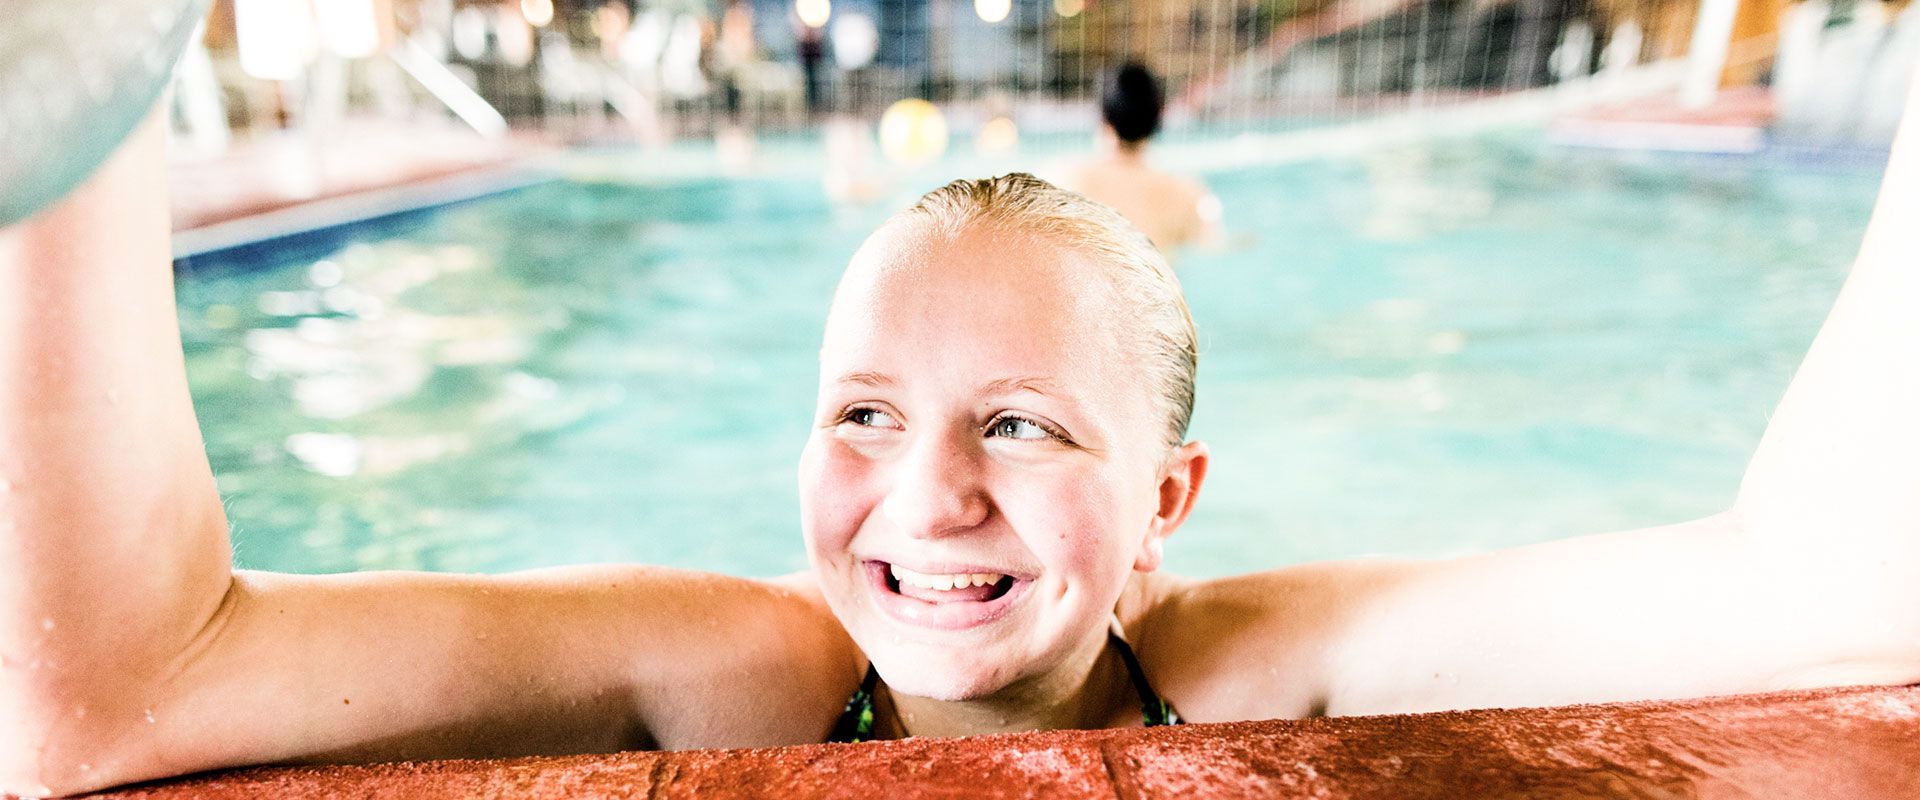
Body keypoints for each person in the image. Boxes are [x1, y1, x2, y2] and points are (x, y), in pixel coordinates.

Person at [5, 72, 1920, 798]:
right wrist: (75, 83)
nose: (924, 498)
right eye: (863, 414)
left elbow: (1828, 585)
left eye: (1018, 422)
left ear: (1166, 502)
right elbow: (99, 695)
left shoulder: (1250, 667)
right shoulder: (748, 669)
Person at [1053, 63, 1222, 252]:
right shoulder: (1187, 192)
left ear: (1103, 116)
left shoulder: (1065, 182)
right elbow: (1213, 246)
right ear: (1158, 118)